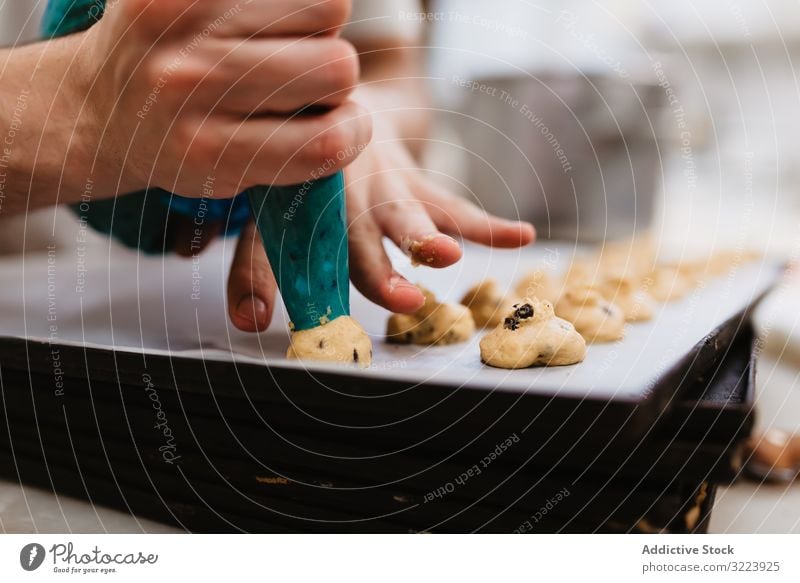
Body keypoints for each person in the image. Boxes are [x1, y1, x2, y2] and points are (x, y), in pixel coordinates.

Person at [0, 0, 534, 333]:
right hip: (33, 325)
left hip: (247, 338)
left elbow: (392, 66)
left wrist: (351, 121)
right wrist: (80, 104)